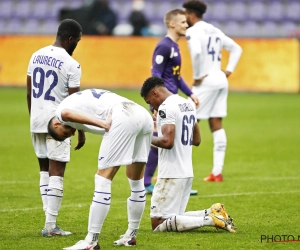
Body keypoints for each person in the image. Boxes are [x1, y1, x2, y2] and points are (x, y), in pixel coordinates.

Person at [47, 89, 153, 249]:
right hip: (142, 115)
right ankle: (131, 236)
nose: (70, 135)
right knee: (136, 179)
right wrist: (81, 132)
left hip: (122, 115)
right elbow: (83, 109)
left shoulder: (60, 113)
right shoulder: (73, 101)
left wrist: (103, 124)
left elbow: (67, 113)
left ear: (56, 124)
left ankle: (91, 241)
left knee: (102, 179)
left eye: (64, 134)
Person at [140, 76, 236, 233]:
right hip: (186, 172)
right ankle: (212, 212)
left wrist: (143, 136)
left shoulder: (166, 107)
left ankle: (210, 220)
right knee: (174, 216)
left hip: (171, 172)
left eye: (149, 102)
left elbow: (167, 142)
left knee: (158, 223)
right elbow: (197, 140)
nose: (152, 107)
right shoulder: (187, 103)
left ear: (155, 93)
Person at [26, 19, 85, 237]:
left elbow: (29, 92)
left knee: (44, 170)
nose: (76, 45)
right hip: (58, 124)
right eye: (77, 41)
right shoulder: (72, 64)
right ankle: (50, 226)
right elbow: (74, 102)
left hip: (37, 120)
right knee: (57, 173)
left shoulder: (36, 55)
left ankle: (48, 219)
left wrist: (34, 119)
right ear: (70, 39)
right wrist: (81, 130)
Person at [183, 0, 243, 182]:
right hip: (220, 78)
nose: (184, 18)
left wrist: (198, 75)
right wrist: (229, 70)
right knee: (216, 123)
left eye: (185, 14)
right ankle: (217, 172)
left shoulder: (192, 32)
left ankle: (175, 171)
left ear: (192, 14)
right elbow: (236, 48)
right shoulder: (215, 30)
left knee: (185, 120)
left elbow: (197, 52)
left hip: (206, 80)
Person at [144, 9, 200, 195]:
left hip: (172, 101)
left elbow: (176, 76)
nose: (187, 25)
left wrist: (190, 93)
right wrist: (155, 105)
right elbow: (156, 76)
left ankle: (170, 181)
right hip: (163, 103)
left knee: (172, 141)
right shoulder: (164, 46)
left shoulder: (174, 46)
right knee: (162, 141)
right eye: (183, 22)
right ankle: (146, 182)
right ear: (172, 24)